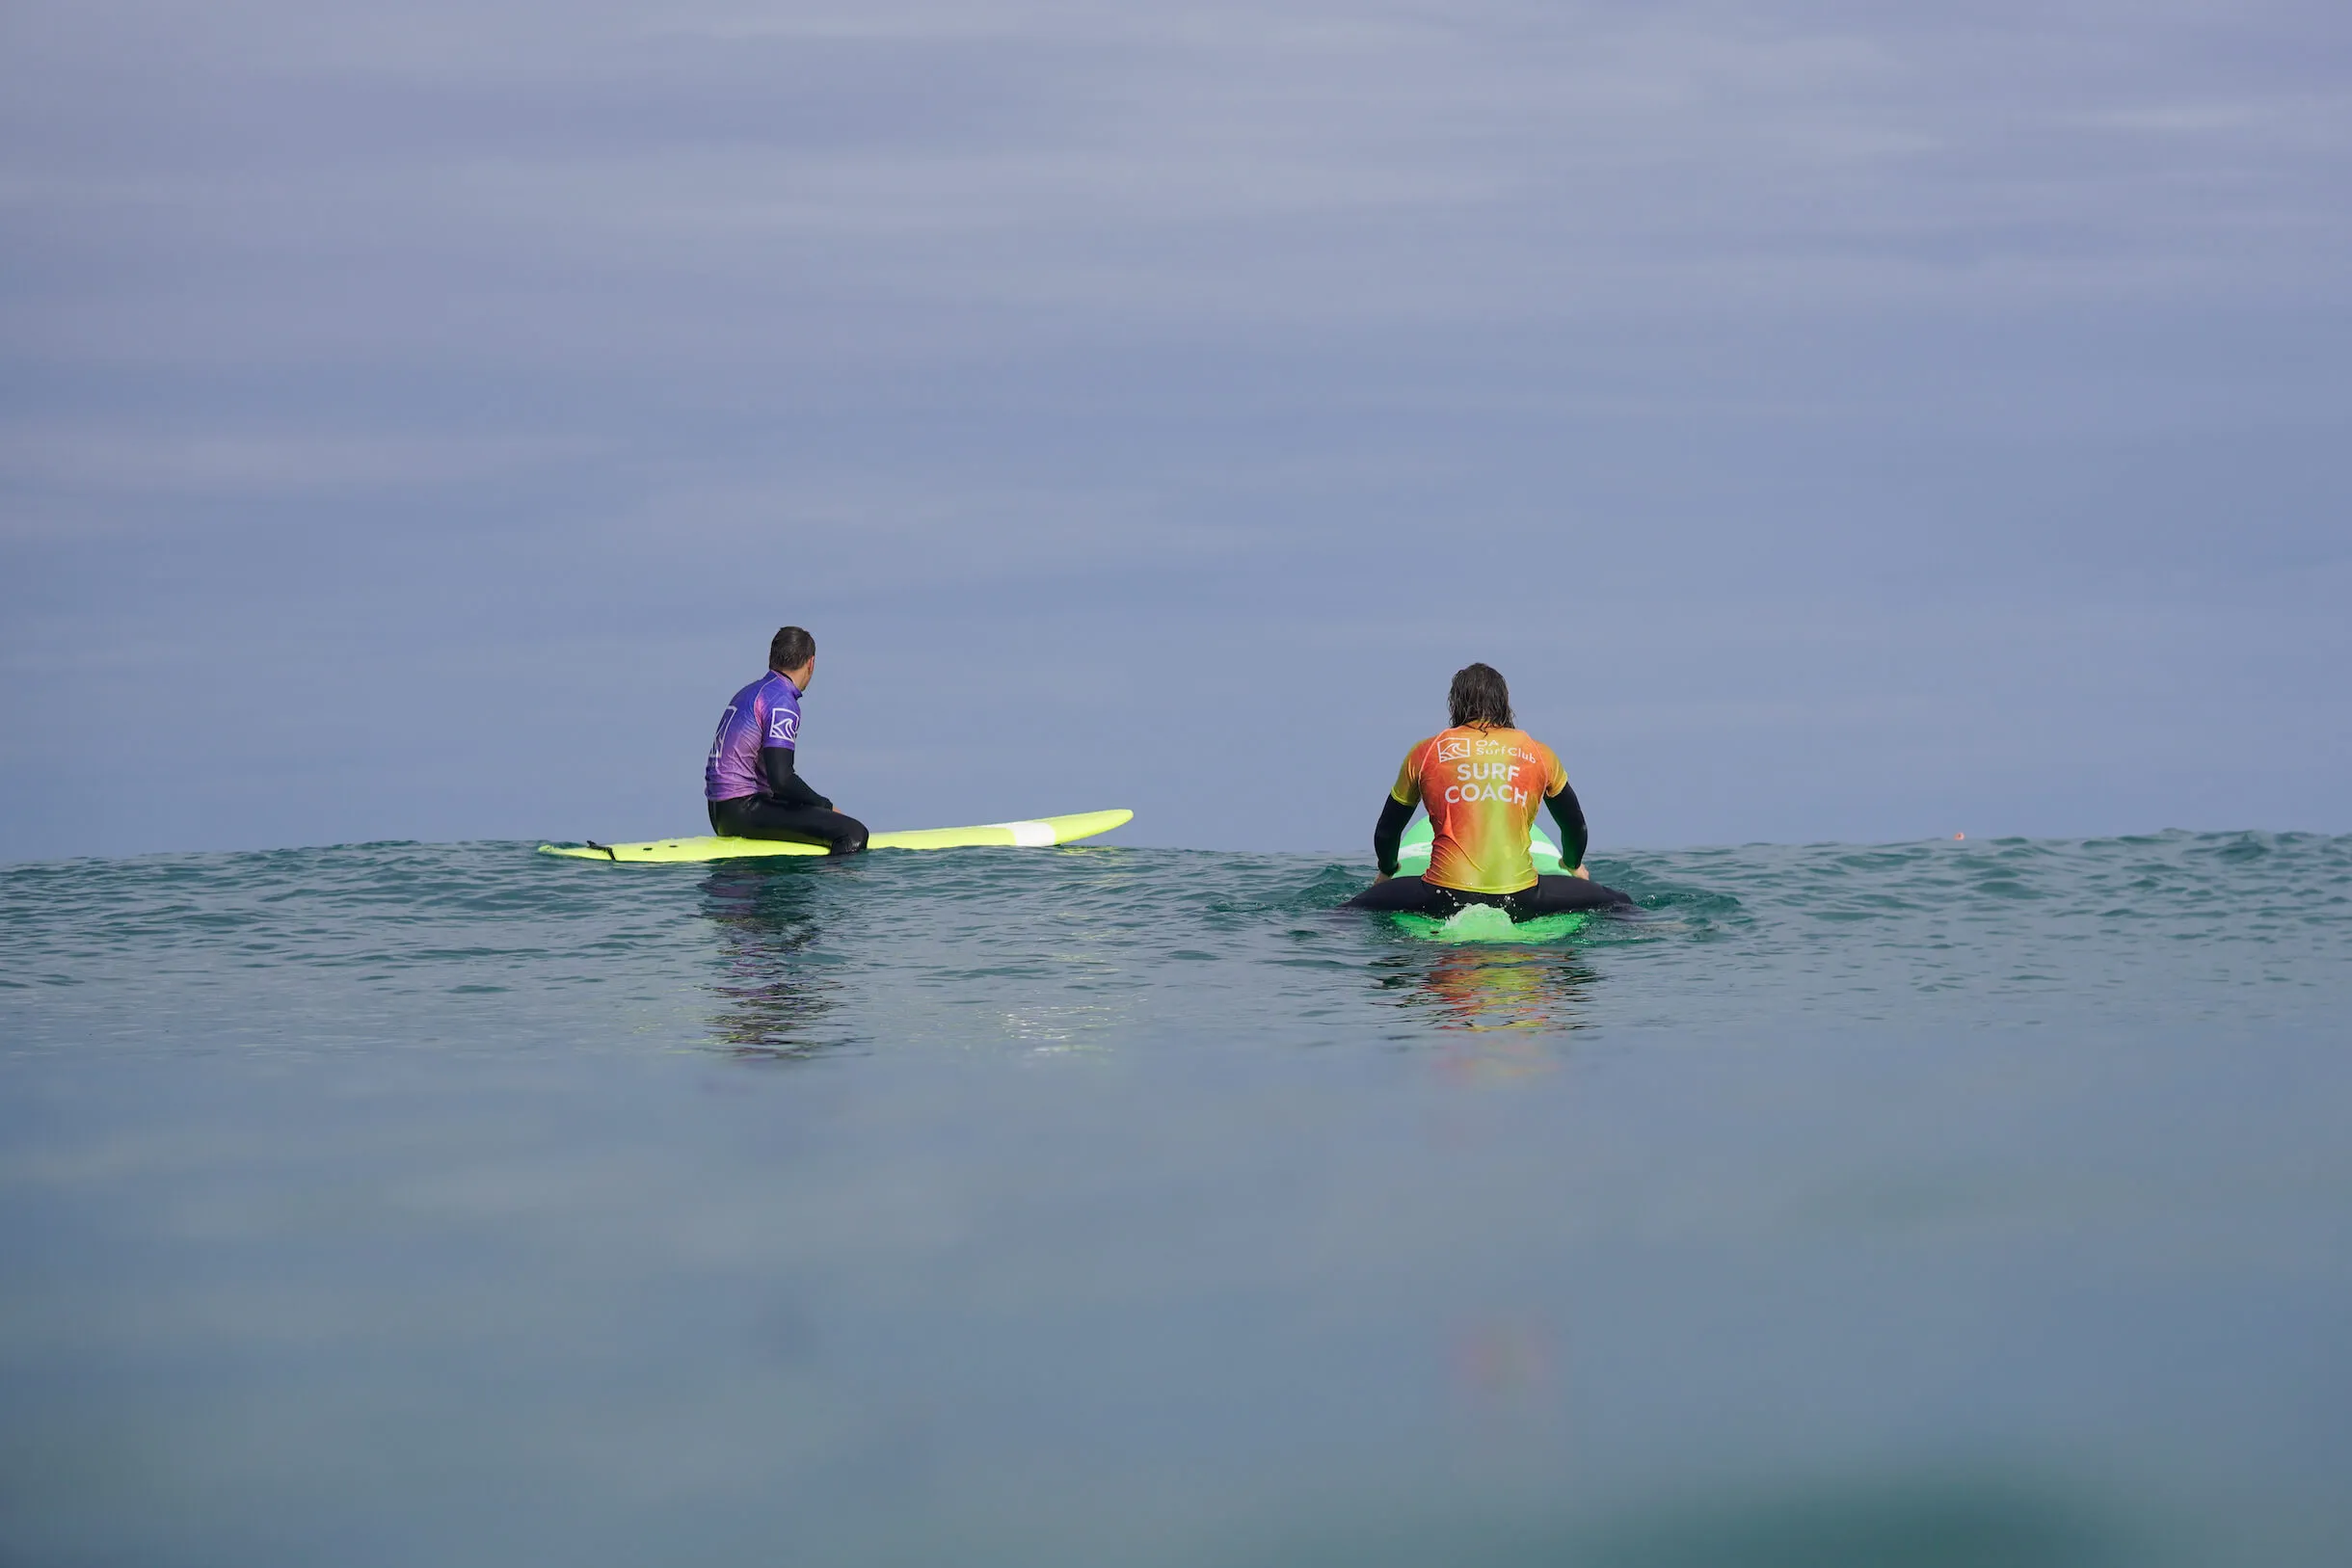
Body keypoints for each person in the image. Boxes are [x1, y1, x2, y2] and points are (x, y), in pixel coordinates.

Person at [1348, 663, 1629, 916]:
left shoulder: (1426, 752)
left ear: (1455, 704)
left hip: (1443, 897)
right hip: (1521, 899)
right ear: (1504, 703)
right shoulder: (1537, 752)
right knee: (1617, 900)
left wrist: (1386, 871)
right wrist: (1573, 865)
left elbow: (1387, 830)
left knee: (1350, 909)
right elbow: (1574, 825)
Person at [704, 626, 869, 855]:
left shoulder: (749, 692)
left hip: (719, 812)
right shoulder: (780, 700)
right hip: (744, 809)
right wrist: (826, 807)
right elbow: (781, 780)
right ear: (811, 663)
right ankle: (821, 890)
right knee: (853, 833)